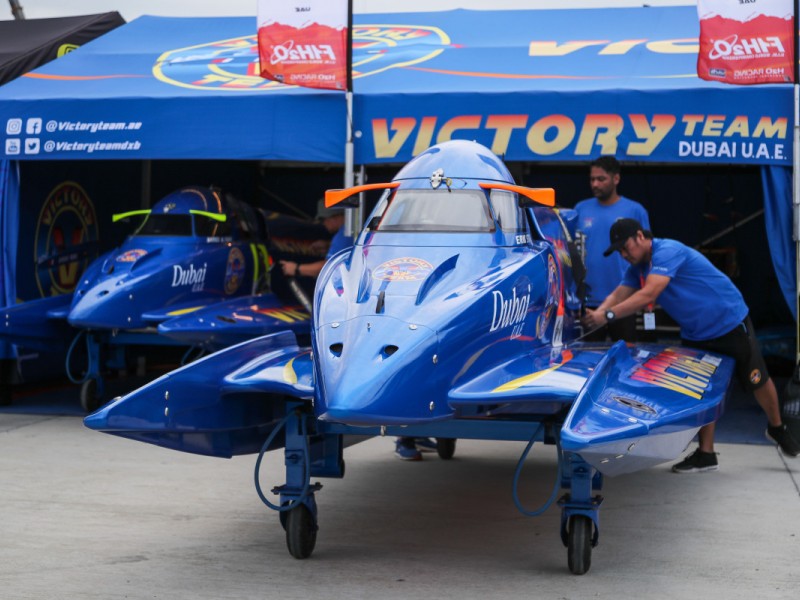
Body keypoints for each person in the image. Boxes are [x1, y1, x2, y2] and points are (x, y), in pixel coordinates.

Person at [582, 218, 800, 472]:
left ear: (640, 236)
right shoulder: (637, 267)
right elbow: (619, 293)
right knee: (702, 390)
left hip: (727, 321)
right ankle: (706, 454)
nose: (623, 254)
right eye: (618, 251)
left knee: (756, 378)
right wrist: (596, 313)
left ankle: (776, 427)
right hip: (696, 332)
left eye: (625, 247)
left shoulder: (667, 251)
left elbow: (649, 294)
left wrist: (607, 316)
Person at [575, 156, 650, 342]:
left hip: (624, 300)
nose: (595, 184)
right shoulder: (580, 209)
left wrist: (647, 294)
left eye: (601, 179)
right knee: (588, 361)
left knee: (627, 358)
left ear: (616, 179)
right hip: (589, 301)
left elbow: (647, 254)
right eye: (592, 179)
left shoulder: (635, 210)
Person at [279, 199, 351, 280]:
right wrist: (329, 245)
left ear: (336, 217)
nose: (323, 224)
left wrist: (296, 269)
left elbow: (329, 267)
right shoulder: (351, 231)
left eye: (323, 220)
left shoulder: (344, 234)